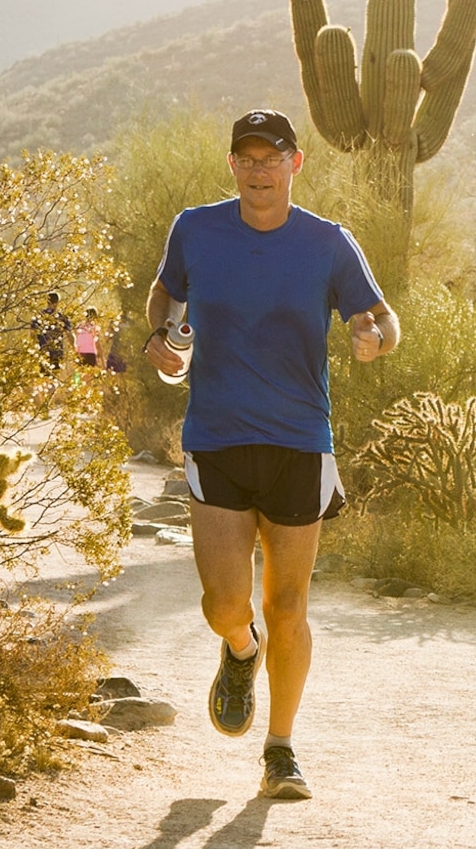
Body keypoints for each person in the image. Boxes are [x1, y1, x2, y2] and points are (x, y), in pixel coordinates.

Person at [143, 108, 398, 801]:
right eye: (247, 159)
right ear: (233, 164)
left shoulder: (327, 242)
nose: (259, 171)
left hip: (299, 441)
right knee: (226, 602)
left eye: (272, 158)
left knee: (289, 604)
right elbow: (167, 291)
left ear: (296, 163)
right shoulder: (197, 227)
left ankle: (280, 749)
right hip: (217, 436)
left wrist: (376, 336)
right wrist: (163, 333)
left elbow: (380, 314)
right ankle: (239, 648)